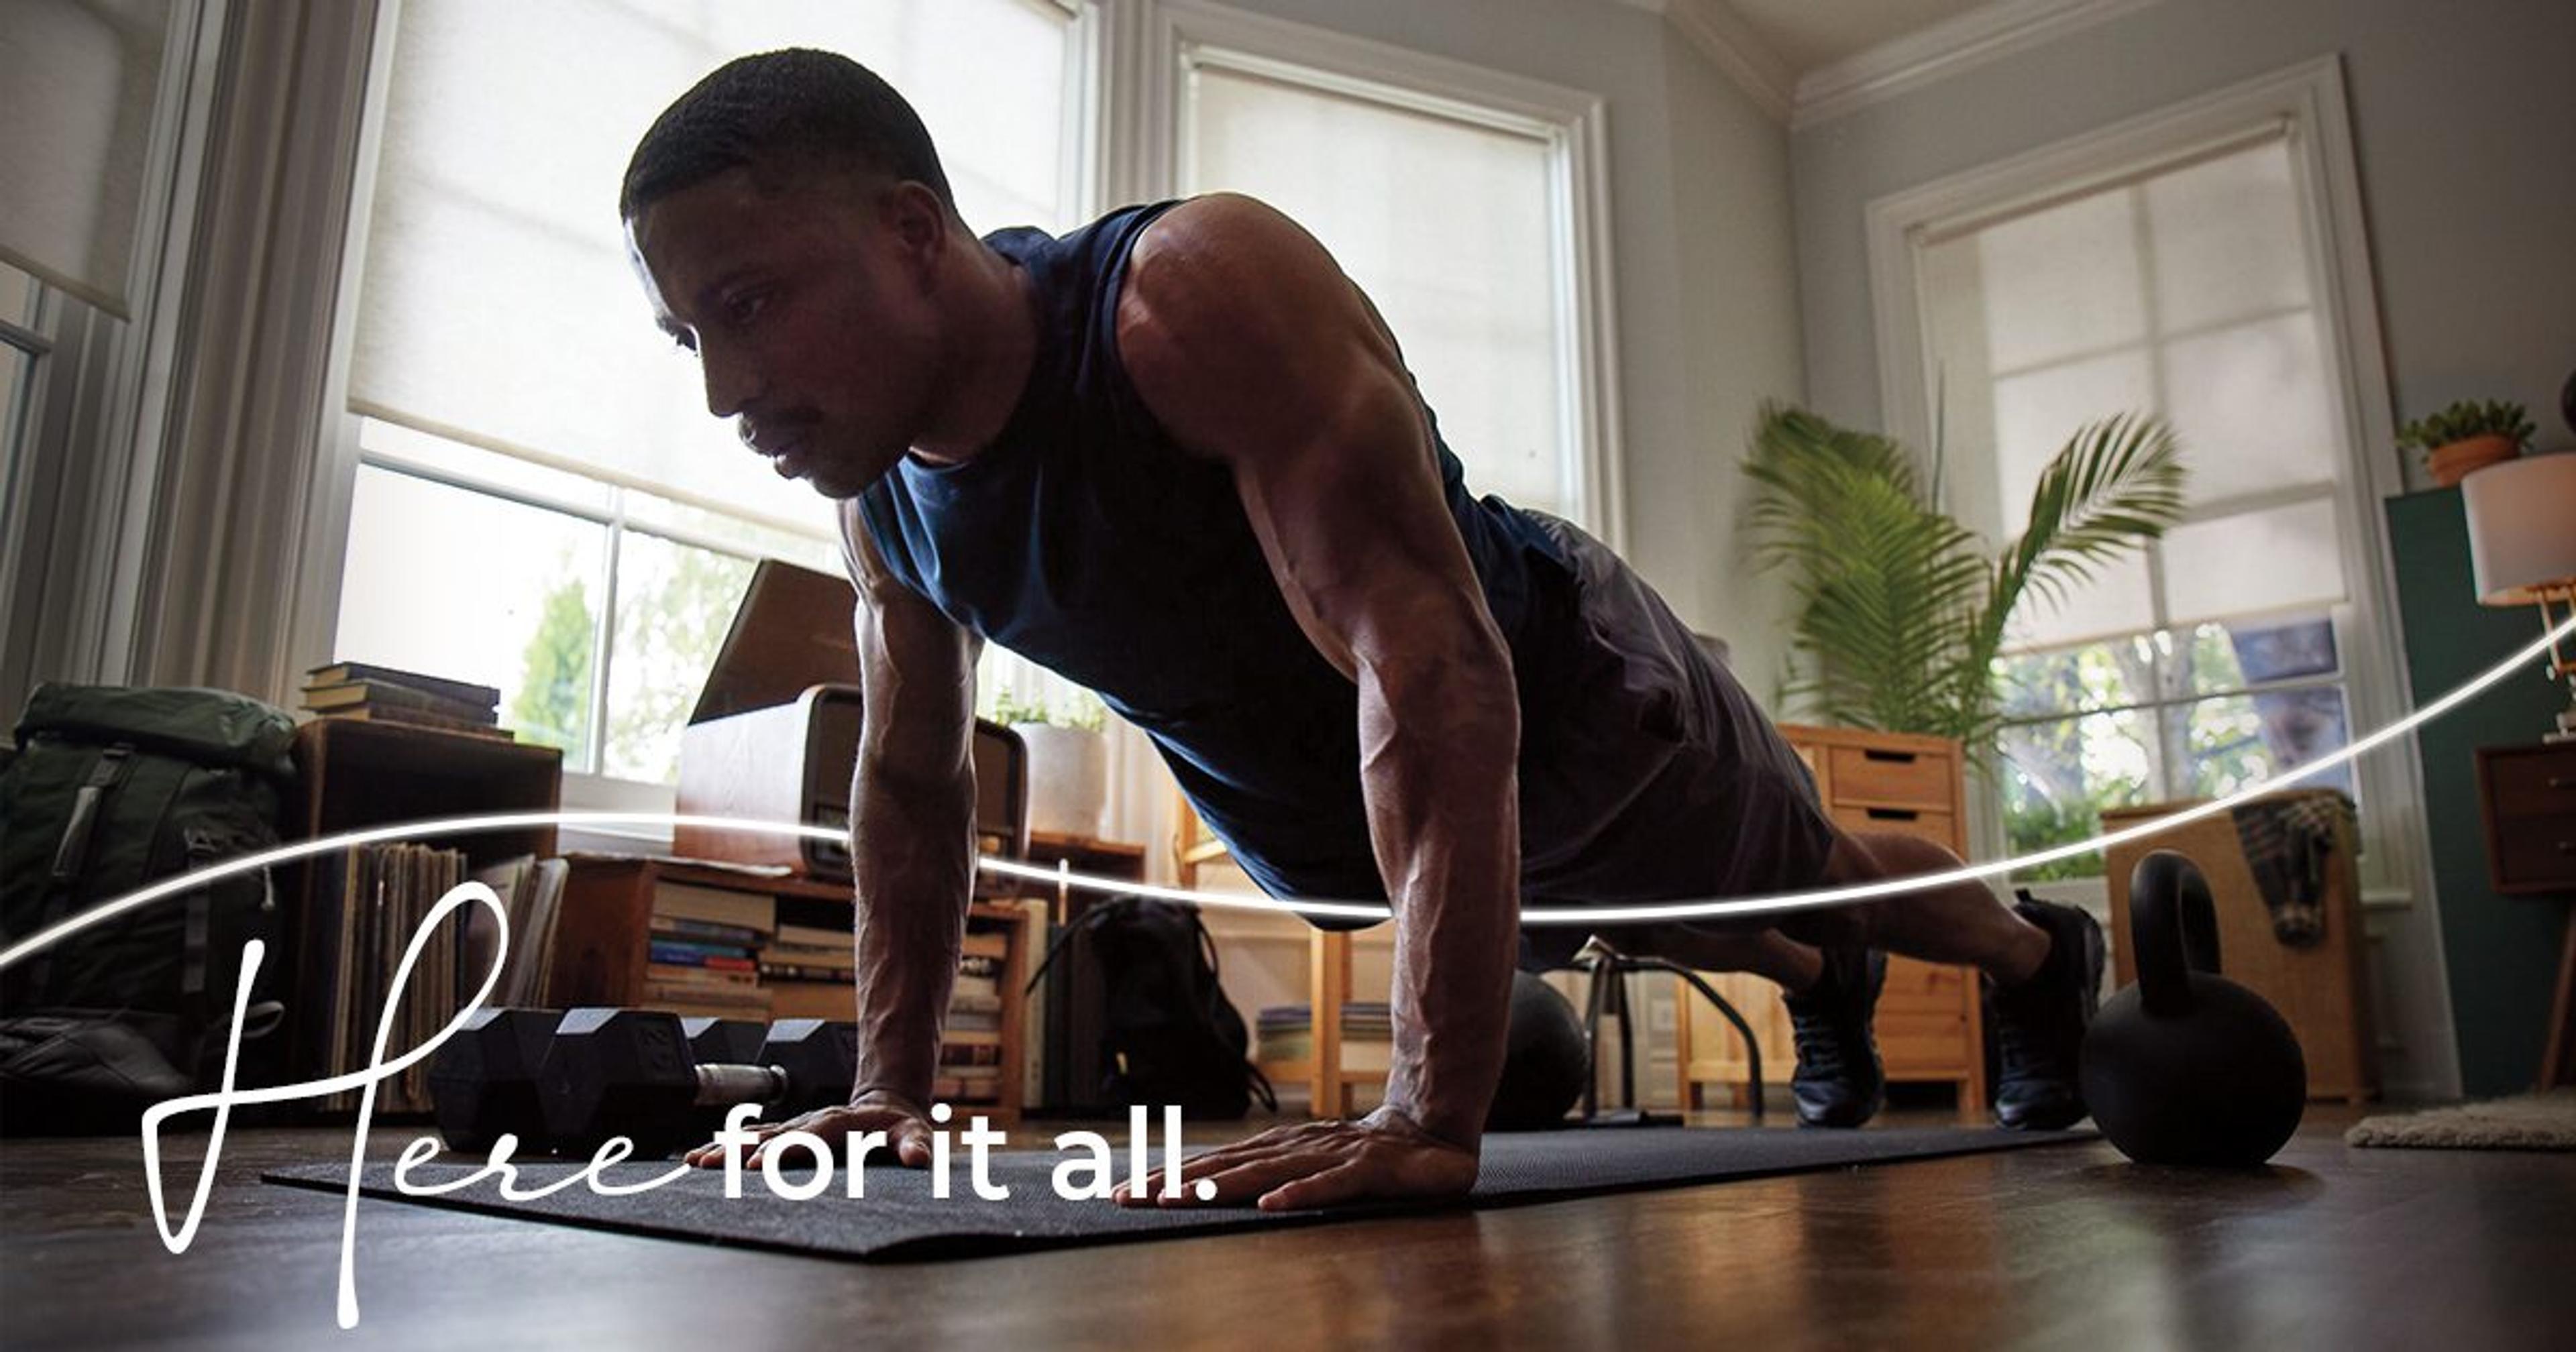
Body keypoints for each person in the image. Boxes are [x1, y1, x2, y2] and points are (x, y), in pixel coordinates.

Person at [631, 50, 2104, 1210]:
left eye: (750, 303)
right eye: (691, 334)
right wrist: (892, 1086)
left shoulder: (1186, 298)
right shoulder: (884, 492)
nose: (723, 388)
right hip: (1361, 832)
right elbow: (911, 780)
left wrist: (1425, 1111)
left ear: (906, 231)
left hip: (1573, 708)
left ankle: (2038, 956)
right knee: (1627, 915)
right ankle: (1816, 977)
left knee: (1811, 867)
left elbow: (1434, 669)